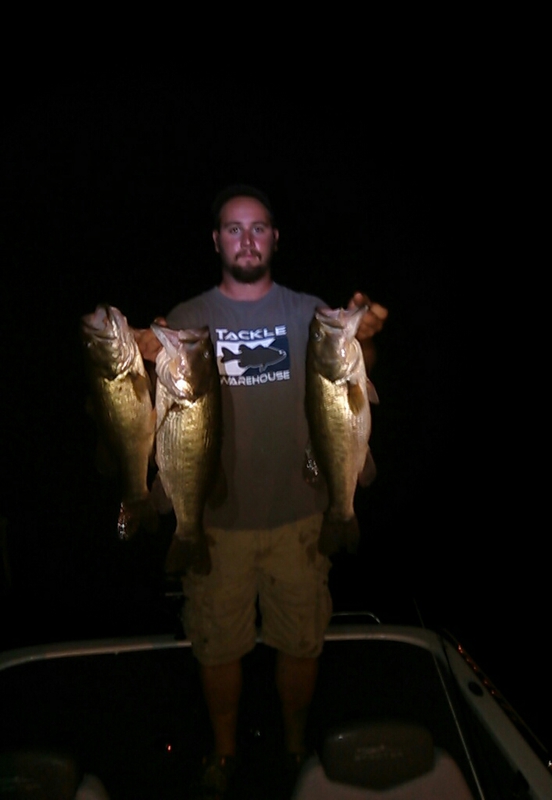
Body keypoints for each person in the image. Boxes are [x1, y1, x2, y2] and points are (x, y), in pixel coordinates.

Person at [137, 184, 388, 798]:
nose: (246, 240)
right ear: (216, 240)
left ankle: (295, 745)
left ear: (275, 238)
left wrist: (366, 337)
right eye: (233, 228)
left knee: (300, 641)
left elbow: (355, 376)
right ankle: (225, 754)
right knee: (217, 648)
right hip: (214, 523)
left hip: (301, 518)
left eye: (257, 228)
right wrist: (139, 360)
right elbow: (153, 407)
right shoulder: (188, 317)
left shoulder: (310, 312)